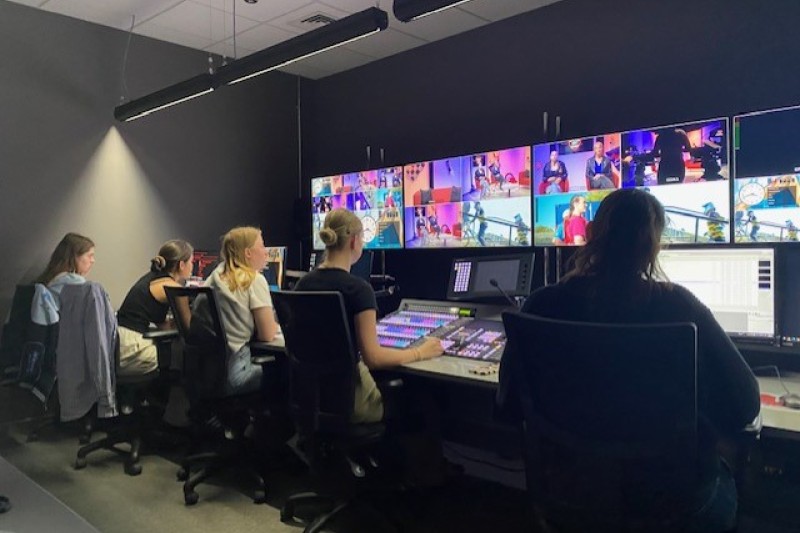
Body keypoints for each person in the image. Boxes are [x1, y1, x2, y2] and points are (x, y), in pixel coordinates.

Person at [502, 188, 759, 532]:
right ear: (654, 244)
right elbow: (745, 405)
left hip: (570, 494)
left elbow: (508, 403)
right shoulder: (679, 306)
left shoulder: (542, 304)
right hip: (671, 504)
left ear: (591, 234)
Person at [294, 209, 443, 423]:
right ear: (354, 241)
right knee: (424, 401)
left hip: (310, 399)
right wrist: (420, 352)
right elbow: (373, 358)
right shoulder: (358, 290)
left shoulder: (302, 285)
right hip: (352, 403)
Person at [204, 227, 279, 394]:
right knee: (286, 369)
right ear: (248, 253)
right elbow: (267, 334)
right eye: (262, 246)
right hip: (237, 374)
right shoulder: (254, 280)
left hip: (208, 373)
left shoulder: (213, 278)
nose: (265, 252)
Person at [116, 240, 193, 376]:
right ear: (181, 265)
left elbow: (159, 322)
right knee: (183, 355)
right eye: (191, 262)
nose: (192, 266)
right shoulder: (172, 288)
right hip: (133, 350)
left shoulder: (153, 278)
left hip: (120, 344)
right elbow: (188, 328)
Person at [36, 232, 95, 298]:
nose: (93, 260)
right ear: (74, 257)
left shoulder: (47, 282)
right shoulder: (78, 285)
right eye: (89, 256)